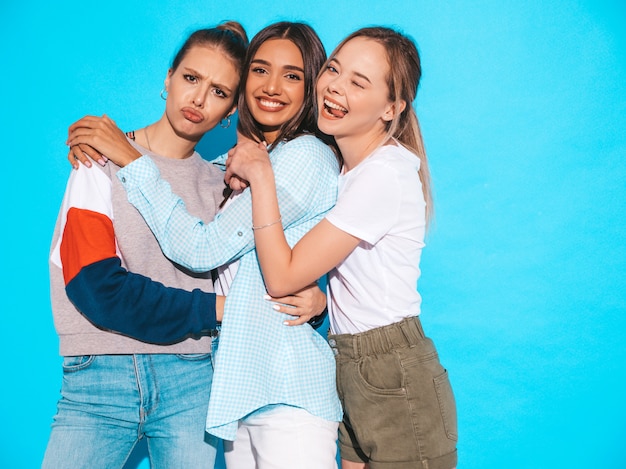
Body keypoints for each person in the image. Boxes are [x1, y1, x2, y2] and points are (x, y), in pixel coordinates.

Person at [66, 22, 343, 469]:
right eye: (260, 70)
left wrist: (131, 158)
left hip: (281, 387)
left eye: (292, 75)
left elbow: (200, 249)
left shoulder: (303, 157)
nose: (272, 86)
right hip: (238, 390)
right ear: (168, 79)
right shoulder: (233, 171)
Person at [224, 27, 458, 469]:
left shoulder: (382, 174)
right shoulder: (347, 170)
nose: (335, 86)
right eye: (334, 69)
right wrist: (322, 300)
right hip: (351, 364)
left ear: (392, 108)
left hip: (394, 374)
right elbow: (365, 280)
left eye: (359, 82)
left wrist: (261, 177)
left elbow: (282, 277)